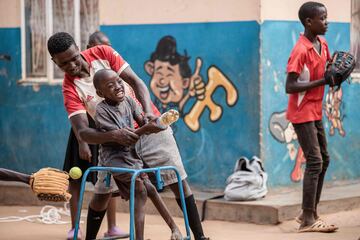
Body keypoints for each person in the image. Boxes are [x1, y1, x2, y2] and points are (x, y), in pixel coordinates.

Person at [47, 32, 209, 240]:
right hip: (114, 145)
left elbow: (136, 82)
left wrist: (148, 113)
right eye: (63, 64)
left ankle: (200, 236)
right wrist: (114, 135)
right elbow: (83, 132)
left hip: (148, 127)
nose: (71, 66)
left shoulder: (103, 53)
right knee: (102, 194)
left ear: (79, 48)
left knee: (177, 180)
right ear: (54, 62)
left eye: (73, 58)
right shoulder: (70, 88)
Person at [92, 68, 182, 240]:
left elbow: (143, 122)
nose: (118, 87)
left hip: (131, 157)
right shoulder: (102, 111)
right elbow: (124, 138)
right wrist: (145, 128)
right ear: (100, 92)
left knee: (151, 189)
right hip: (114, 160)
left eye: (119, 81)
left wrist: (155, 122)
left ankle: (174, 229)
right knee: (140, 191)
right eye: (110, 86)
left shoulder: (129, 101)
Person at [62, 31, 127, 240]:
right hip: (85, 132)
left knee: (108, 177)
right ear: (90, 46)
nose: (107, 49)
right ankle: (75, 227)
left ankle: (112, 226)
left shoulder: (107, 67)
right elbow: (78, 119)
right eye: (103, 45)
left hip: (106, 132)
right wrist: (82, 142)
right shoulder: (75, 78)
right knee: (76, 177)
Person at [285, 1, 338, 233]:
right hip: (301, 111)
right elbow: (291, 85)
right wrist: (323, 81)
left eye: (326, 18)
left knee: (324, 159)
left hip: (315, 110)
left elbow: (326, 70)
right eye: (322, 19)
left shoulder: (322, 44)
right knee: (315, 161)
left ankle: (309, 211)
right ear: (309, 22)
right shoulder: (300, 50)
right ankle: (308, 219)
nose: (326, 22)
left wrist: (334, 70)